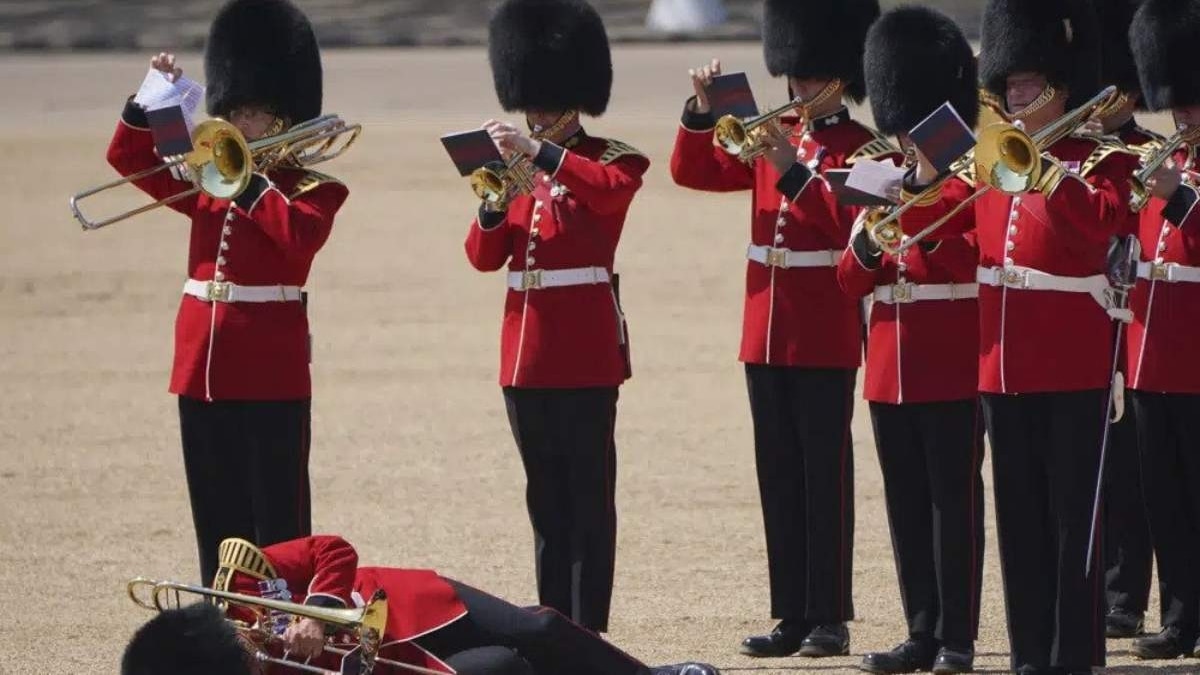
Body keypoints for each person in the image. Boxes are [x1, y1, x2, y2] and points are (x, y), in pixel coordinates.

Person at [898, 1, 1142, 672]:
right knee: (1020, 520)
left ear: (1061, 86)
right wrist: (920, 180)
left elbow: (1099, 228)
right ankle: (1030, 652)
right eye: (1009, 85)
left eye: (1029, 84)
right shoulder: (990, 159)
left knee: (1072, 522)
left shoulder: (1100, 161)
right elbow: (947, 220)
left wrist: (1048, 174)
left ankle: (1075, 653)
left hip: (1071, 361)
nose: (1016, 95)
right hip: (1000, 365)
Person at [670, 0, 893, 658]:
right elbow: (694, 171)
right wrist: (700, 114)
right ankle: (790, 611)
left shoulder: (869, 148)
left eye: (807, 73)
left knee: (824, 472)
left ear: (839, 74)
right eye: (791, 72)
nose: (795, 85)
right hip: (764, 322)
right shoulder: (772, 130)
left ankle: (830, 613)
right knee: (778, 473)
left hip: (822, 322)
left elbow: (846, 226)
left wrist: (791, 169)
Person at [105, 0, 348, 584]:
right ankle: (224, 632)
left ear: (283, 117)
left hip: (270, 371)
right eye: (232, 108)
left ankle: (280, 640)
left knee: (278, 525)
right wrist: (146, 100)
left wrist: (246, 185)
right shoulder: (210, 179)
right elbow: (129, 162)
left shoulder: (314, 187)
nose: (238, 121)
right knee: (215, 517)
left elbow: (297, 238)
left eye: (253, 112)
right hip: (201, 366)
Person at [463, 0, 649, 634]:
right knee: (545, 499)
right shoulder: (514, 168)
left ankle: (587, 629)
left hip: (586, 349)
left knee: (589, 500)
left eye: (546, 104)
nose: (536, 114)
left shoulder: (611, 158)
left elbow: (607, 192)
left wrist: (541, 154)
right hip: (526, 352)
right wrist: (493, 205)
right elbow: (483, 258)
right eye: (530, 103)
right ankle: (551, 623)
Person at [836, 7, 983, 674]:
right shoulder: (876, 172)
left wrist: (923, 194)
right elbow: (847, 279)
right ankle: (921, 629)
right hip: (889, 363)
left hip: (951, 360)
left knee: (955, 505)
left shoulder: (974, 178)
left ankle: (958, 636)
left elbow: (966, 260)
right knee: (905, 507)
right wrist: (869, 237)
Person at [121, 535, 720, 675]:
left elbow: (332, 549)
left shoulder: (242, 579)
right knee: (505, 665)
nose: (255, 658)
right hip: (391, 665)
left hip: (408, 603)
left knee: (535, 628)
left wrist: (313, 612)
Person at [1126, 0, 1200, 659]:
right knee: (1166, 498)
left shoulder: (1176, 172)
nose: (1183, 116)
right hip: (1149, 353)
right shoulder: (1158, 157)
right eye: (1176, 104)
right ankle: (1180, 617)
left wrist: (1178, 195)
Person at [1092, 0, 1161, 641]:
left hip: (1141, 324)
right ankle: (1108, 592)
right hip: (1083, 323)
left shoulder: (1146, 152)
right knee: (1098, 466)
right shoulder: (1073, 153)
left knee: (1141, 468)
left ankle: (1131, 596)